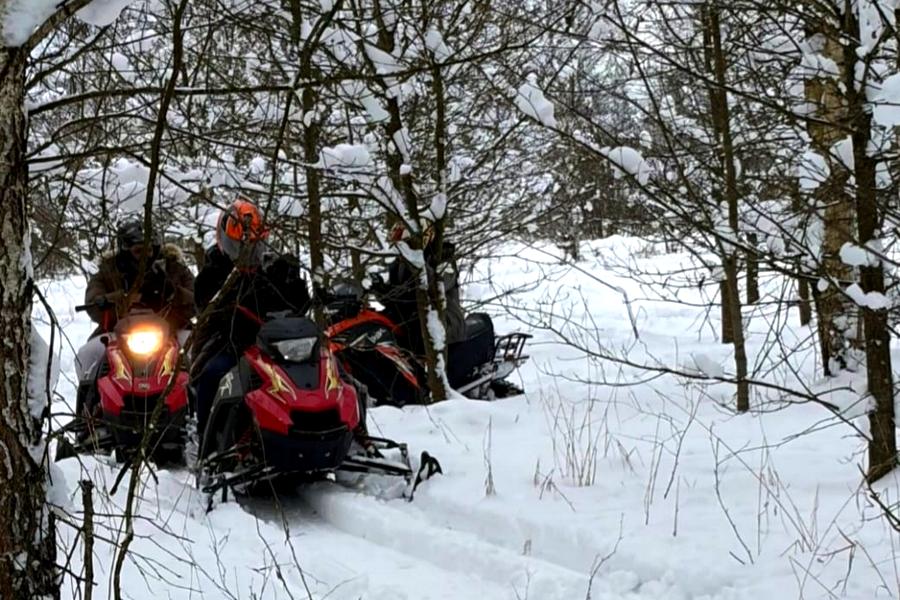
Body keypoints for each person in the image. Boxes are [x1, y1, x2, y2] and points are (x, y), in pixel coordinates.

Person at [190, 198, 311, 435]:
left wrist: (294, 282)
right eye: (242, 246)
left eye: (256, 244)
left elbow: (297, 307)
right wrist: (229, 305)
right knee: (212, 376)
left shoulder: (271, 268)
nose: (249, 252)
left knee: (331, 369)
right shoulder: (214, 271)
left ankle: (348, 434)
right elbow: (204, 305)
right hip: (230, 343)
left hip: (277, 345)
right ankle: (207, 440)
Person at [75, 219, 195, 386]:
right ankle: (89, 405)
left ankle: (198, 403)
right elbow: (93, 301)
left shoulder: (174, 267)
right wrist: (120, 298)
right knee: (89, 354)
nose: (146, 255)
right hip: (117, 333)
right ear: (126, 251)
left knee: (196, 350)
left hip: (172, 330)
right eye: (139, 251)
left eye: (150, 250)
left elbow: (197, 299)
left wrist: (172, 291)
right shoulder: (109, 270)